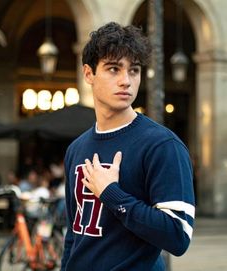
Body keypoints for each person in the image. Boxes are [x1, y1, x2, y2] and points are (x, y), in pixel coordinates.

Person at [61, 22, 195, 271]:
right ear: (88, 73)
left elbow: (178, 236)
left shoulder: (162, 145)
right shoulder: (76, 149)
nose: (126, 81)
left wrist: (112, 193)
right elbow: (75, 234)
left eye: (134, 70)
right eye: (114, 69)